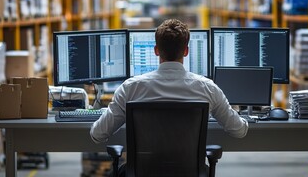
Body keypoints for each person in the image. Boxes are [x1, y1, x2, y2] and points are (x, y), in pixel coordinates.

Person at [90, 19, 248, 143]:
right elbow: (239, 131)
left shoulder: (131, 88)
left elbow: (97, 134)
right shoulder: (207, 88)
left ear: (156, 51)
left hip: (145, 171)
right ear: (186, 51)